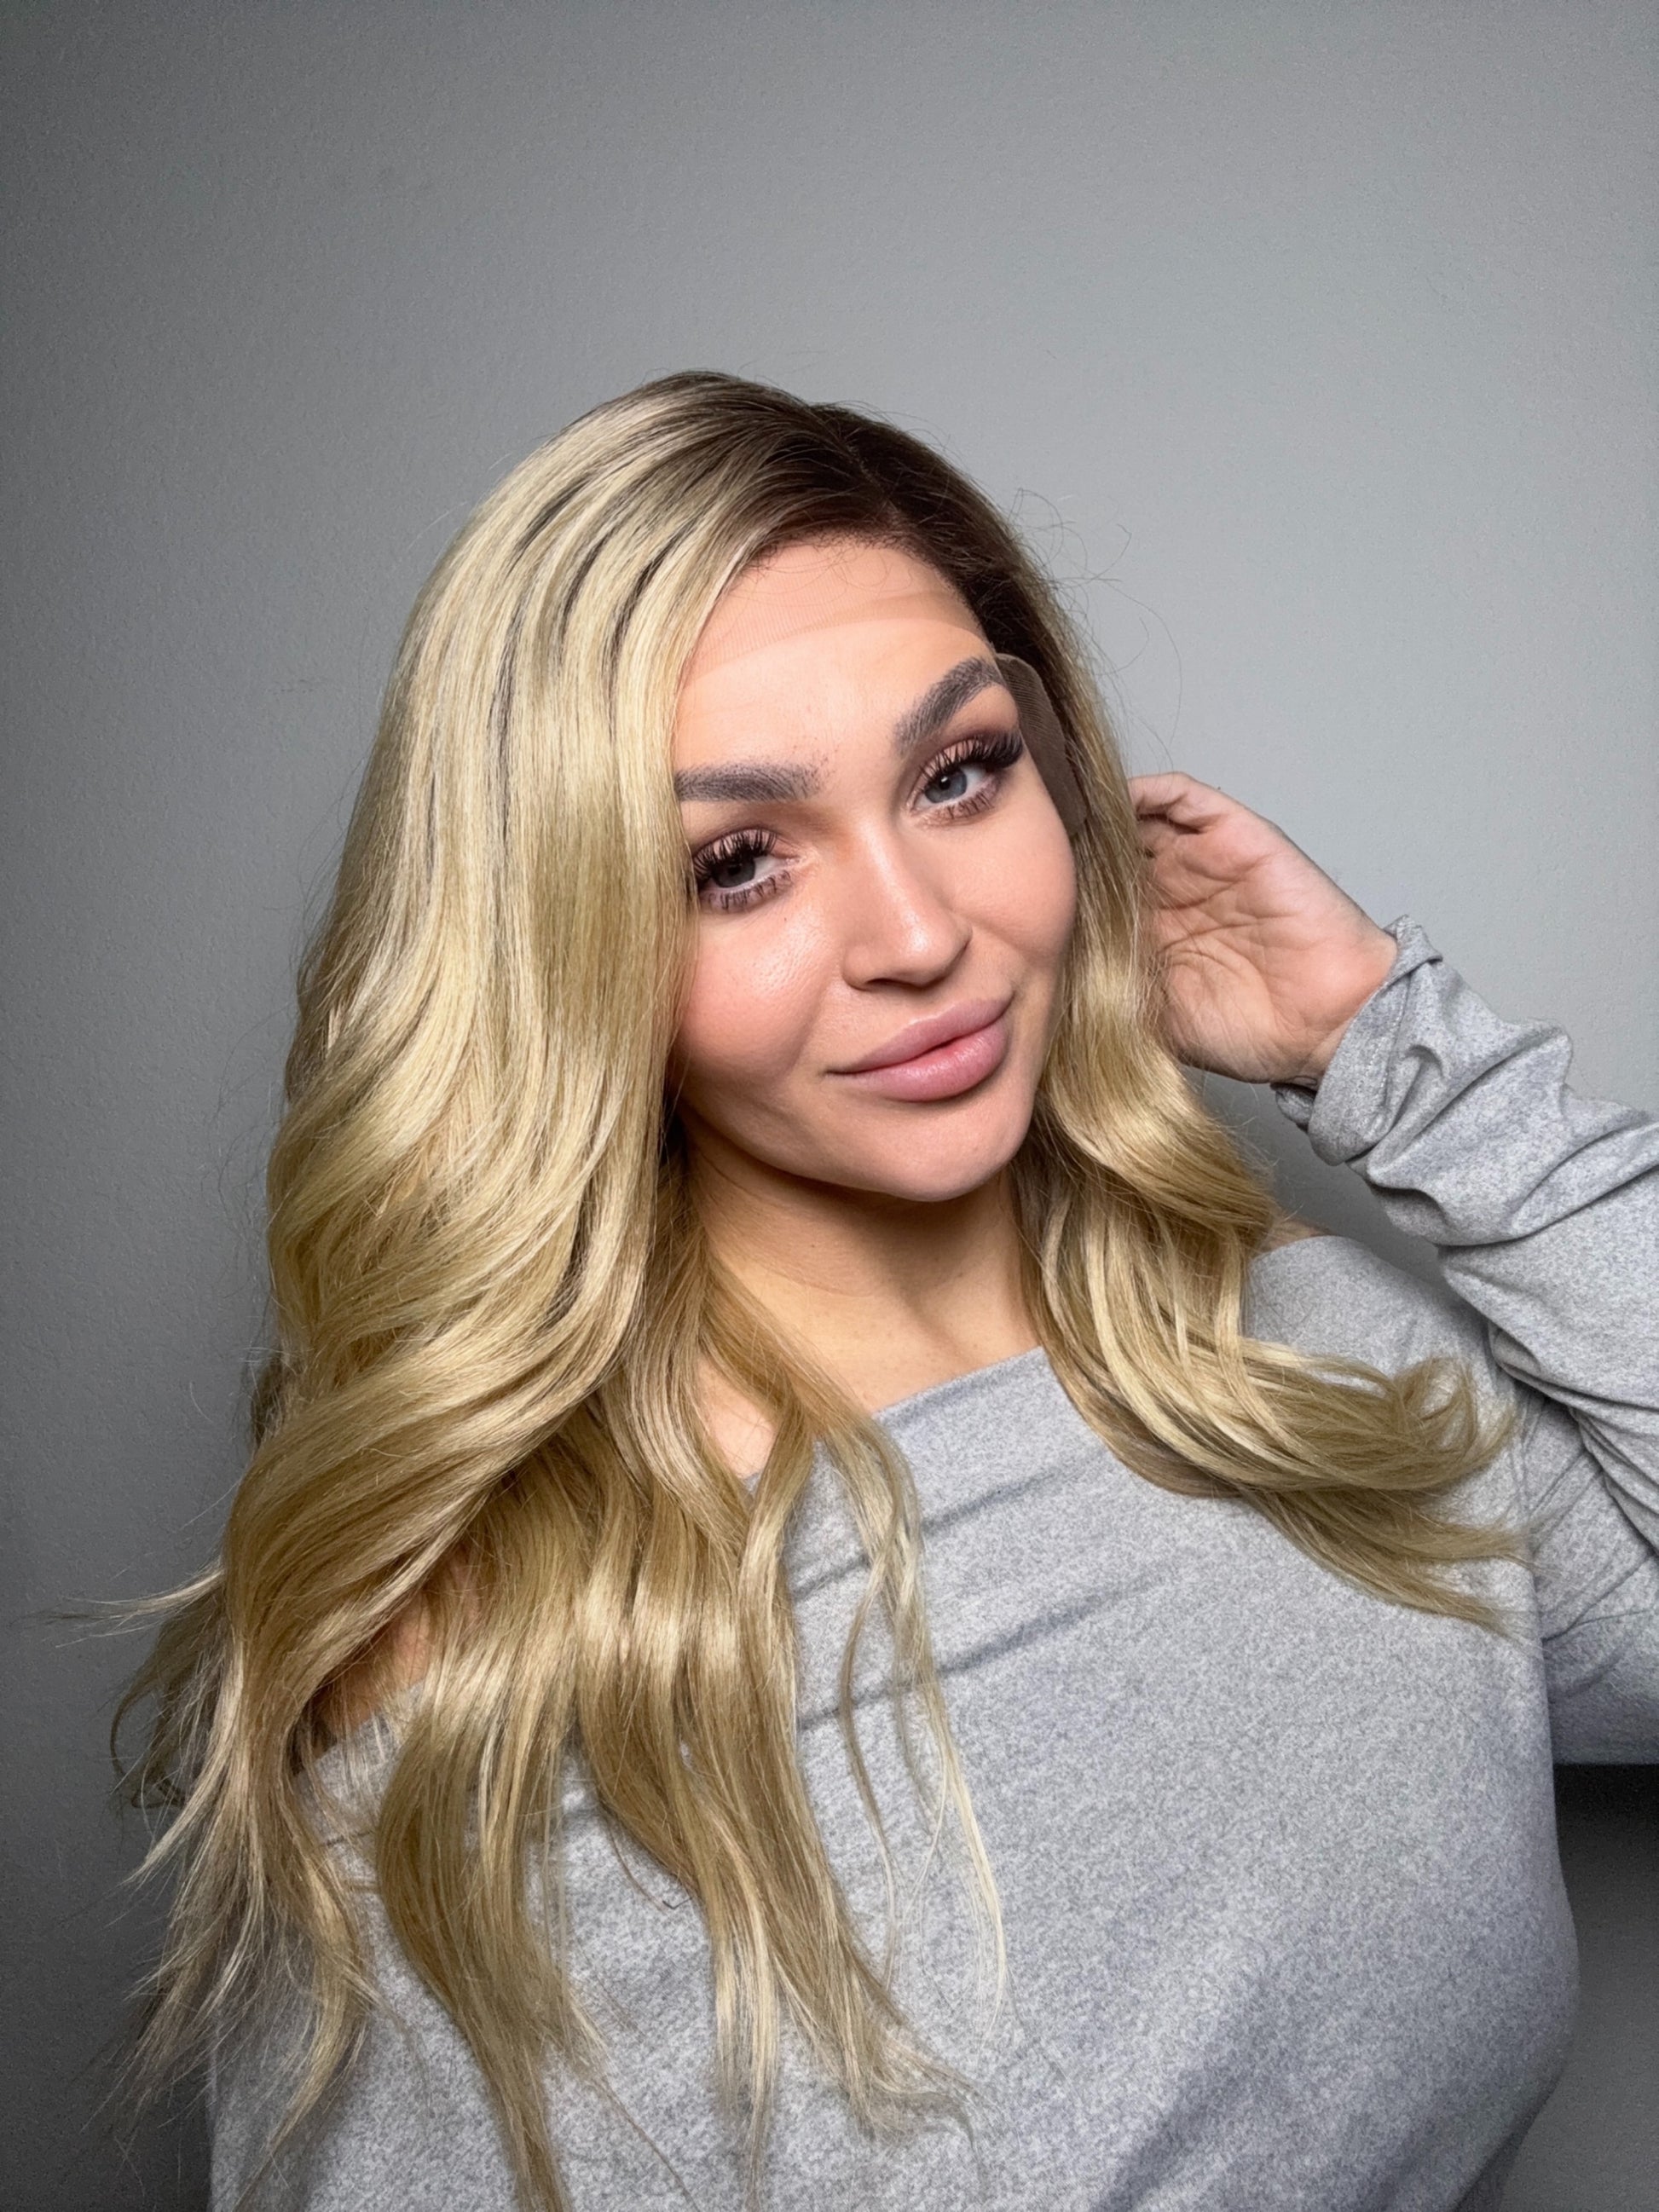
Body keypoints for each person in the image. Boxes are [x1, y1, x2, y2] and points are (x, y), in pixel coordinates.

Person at [118, 370, 1659, 2212]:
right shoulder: (498, 1675)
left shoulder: (1300, 1360)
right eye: (736, 864)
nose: (921, 935)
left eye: (958, 775)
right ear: (563, 941)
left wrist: (1387, 1046)